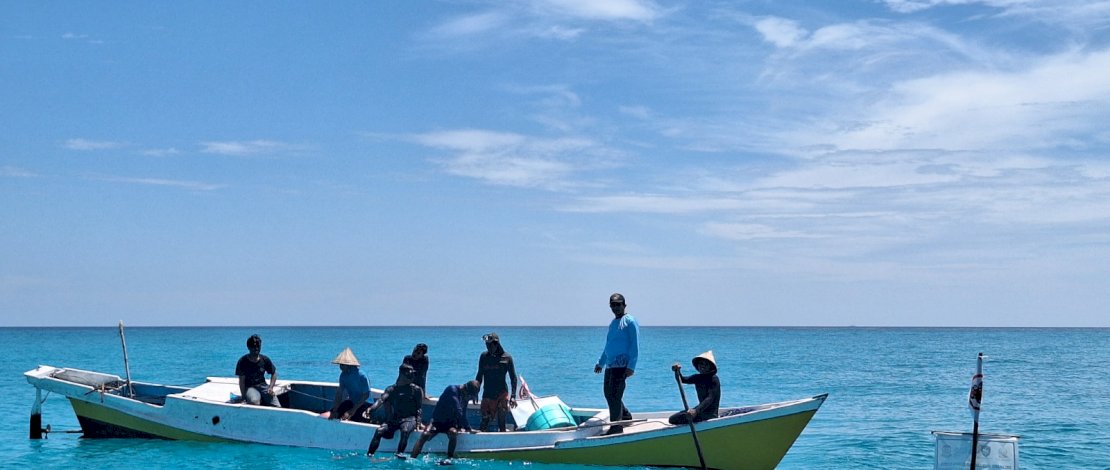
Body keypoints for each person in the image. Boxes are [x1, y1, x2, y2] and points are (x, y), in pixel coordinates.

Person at [594, 292, 639, 435]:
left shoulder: (630, 321)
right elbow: (608, 345)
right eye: (613, 305)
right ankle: (625, 415)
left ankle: (616, 427)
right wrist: (600, 363)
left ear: (624, 305)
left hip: (622, 365)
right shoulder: (613, 323)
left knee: (615, 394)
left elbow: (634, 345)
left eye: (618, 304)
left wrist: (631, 366)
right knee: (609, 394)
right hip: (610, 365)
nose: (616, 307)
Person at [409, 380, 480, 460]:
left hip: (450, 424)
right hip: (436, 421)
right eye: (470, 396)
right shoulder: (452, 390)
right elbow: (458, 411)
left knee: (453, 433)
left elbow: (463, 413)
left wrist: (466, 428)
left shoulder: (465, 395)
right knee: (425, 435)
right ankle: (412, 458)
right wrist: (467, 427)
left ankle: (449, 459)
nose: (469, 398)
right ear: (465, 389)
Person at [366, 364, 426, 456]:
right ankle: (370, 455)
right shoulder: (392, 389)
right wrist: (370, 409)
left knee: (405, 431)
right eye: (410, 374)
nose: (413, 376)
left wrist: (418, 422)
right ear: (402, 374)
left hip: (410, 418)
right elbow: (381, 400)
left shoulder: (416, 390)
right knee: (379, 431)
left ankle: (399, 454)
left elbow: (419, 408)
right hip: (396, 419)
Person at [474, 332, 517, 432]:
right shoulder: (484, 357)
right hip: (487, 394)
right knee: (484, 421)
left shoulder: (507, 358)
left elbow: (513, 378)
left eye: (490, 345)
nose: (488, 347)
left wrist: (513, 396)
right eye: (486, 345)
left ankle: (503, 440)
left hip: (502, 393)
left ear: (496, 344)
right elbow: (479, 375)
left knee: (501, 421)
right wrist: (475, 392)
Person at [668, 350, 721, 425]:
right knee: (672, 419)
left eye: (705, 364)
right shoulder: (698, 378)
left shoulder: (714, 379)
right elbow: (682, 380)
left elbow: (709, 398)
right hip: (700, 412)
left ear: (710, 366)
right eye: (701, 364)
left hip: (709, 415)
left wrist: (696, 411)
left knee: (676, 419)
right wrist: (677, 371)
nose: (703, 366)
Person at [328, 347, 372, 422]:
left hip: (365, 404)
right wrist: (335, 409)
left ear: (348, 365)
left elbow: (366, 395)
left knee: (357, 417)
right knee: (336, 412)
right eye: (340, 365)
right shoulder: (343, 376)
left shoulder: (362, 376)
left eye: (342, 365)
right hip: (352, 402)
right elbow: (339, 393)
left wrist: (353, 410)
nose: (340, 367)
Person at [235, 334, 280, 407]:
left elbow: (274, 373)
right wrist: (243, 396)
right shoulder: (242, 361)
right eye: (253, 346)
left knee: (277, 405)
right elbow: (242, 381)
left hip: (263, 386)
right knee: (254, 401)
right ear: (249, 347)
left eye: (258, 346)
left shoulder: (265, 360)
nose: (256, 349)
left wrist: (271, 387)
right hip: (250, 387)